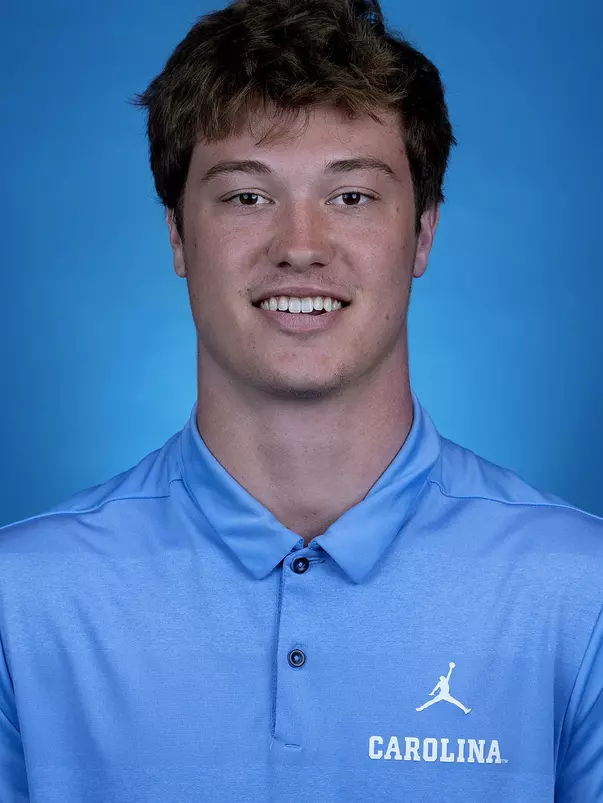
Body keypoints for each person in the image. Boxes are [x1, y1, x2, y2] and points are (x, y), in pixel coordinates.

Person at [0, 0, 601, 800]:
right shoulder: (21, 603)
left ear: (422, 232)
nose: (300, 246)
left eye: (351, 196)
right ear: (177, 236)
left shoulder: (580, 593)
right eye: (247, 196)